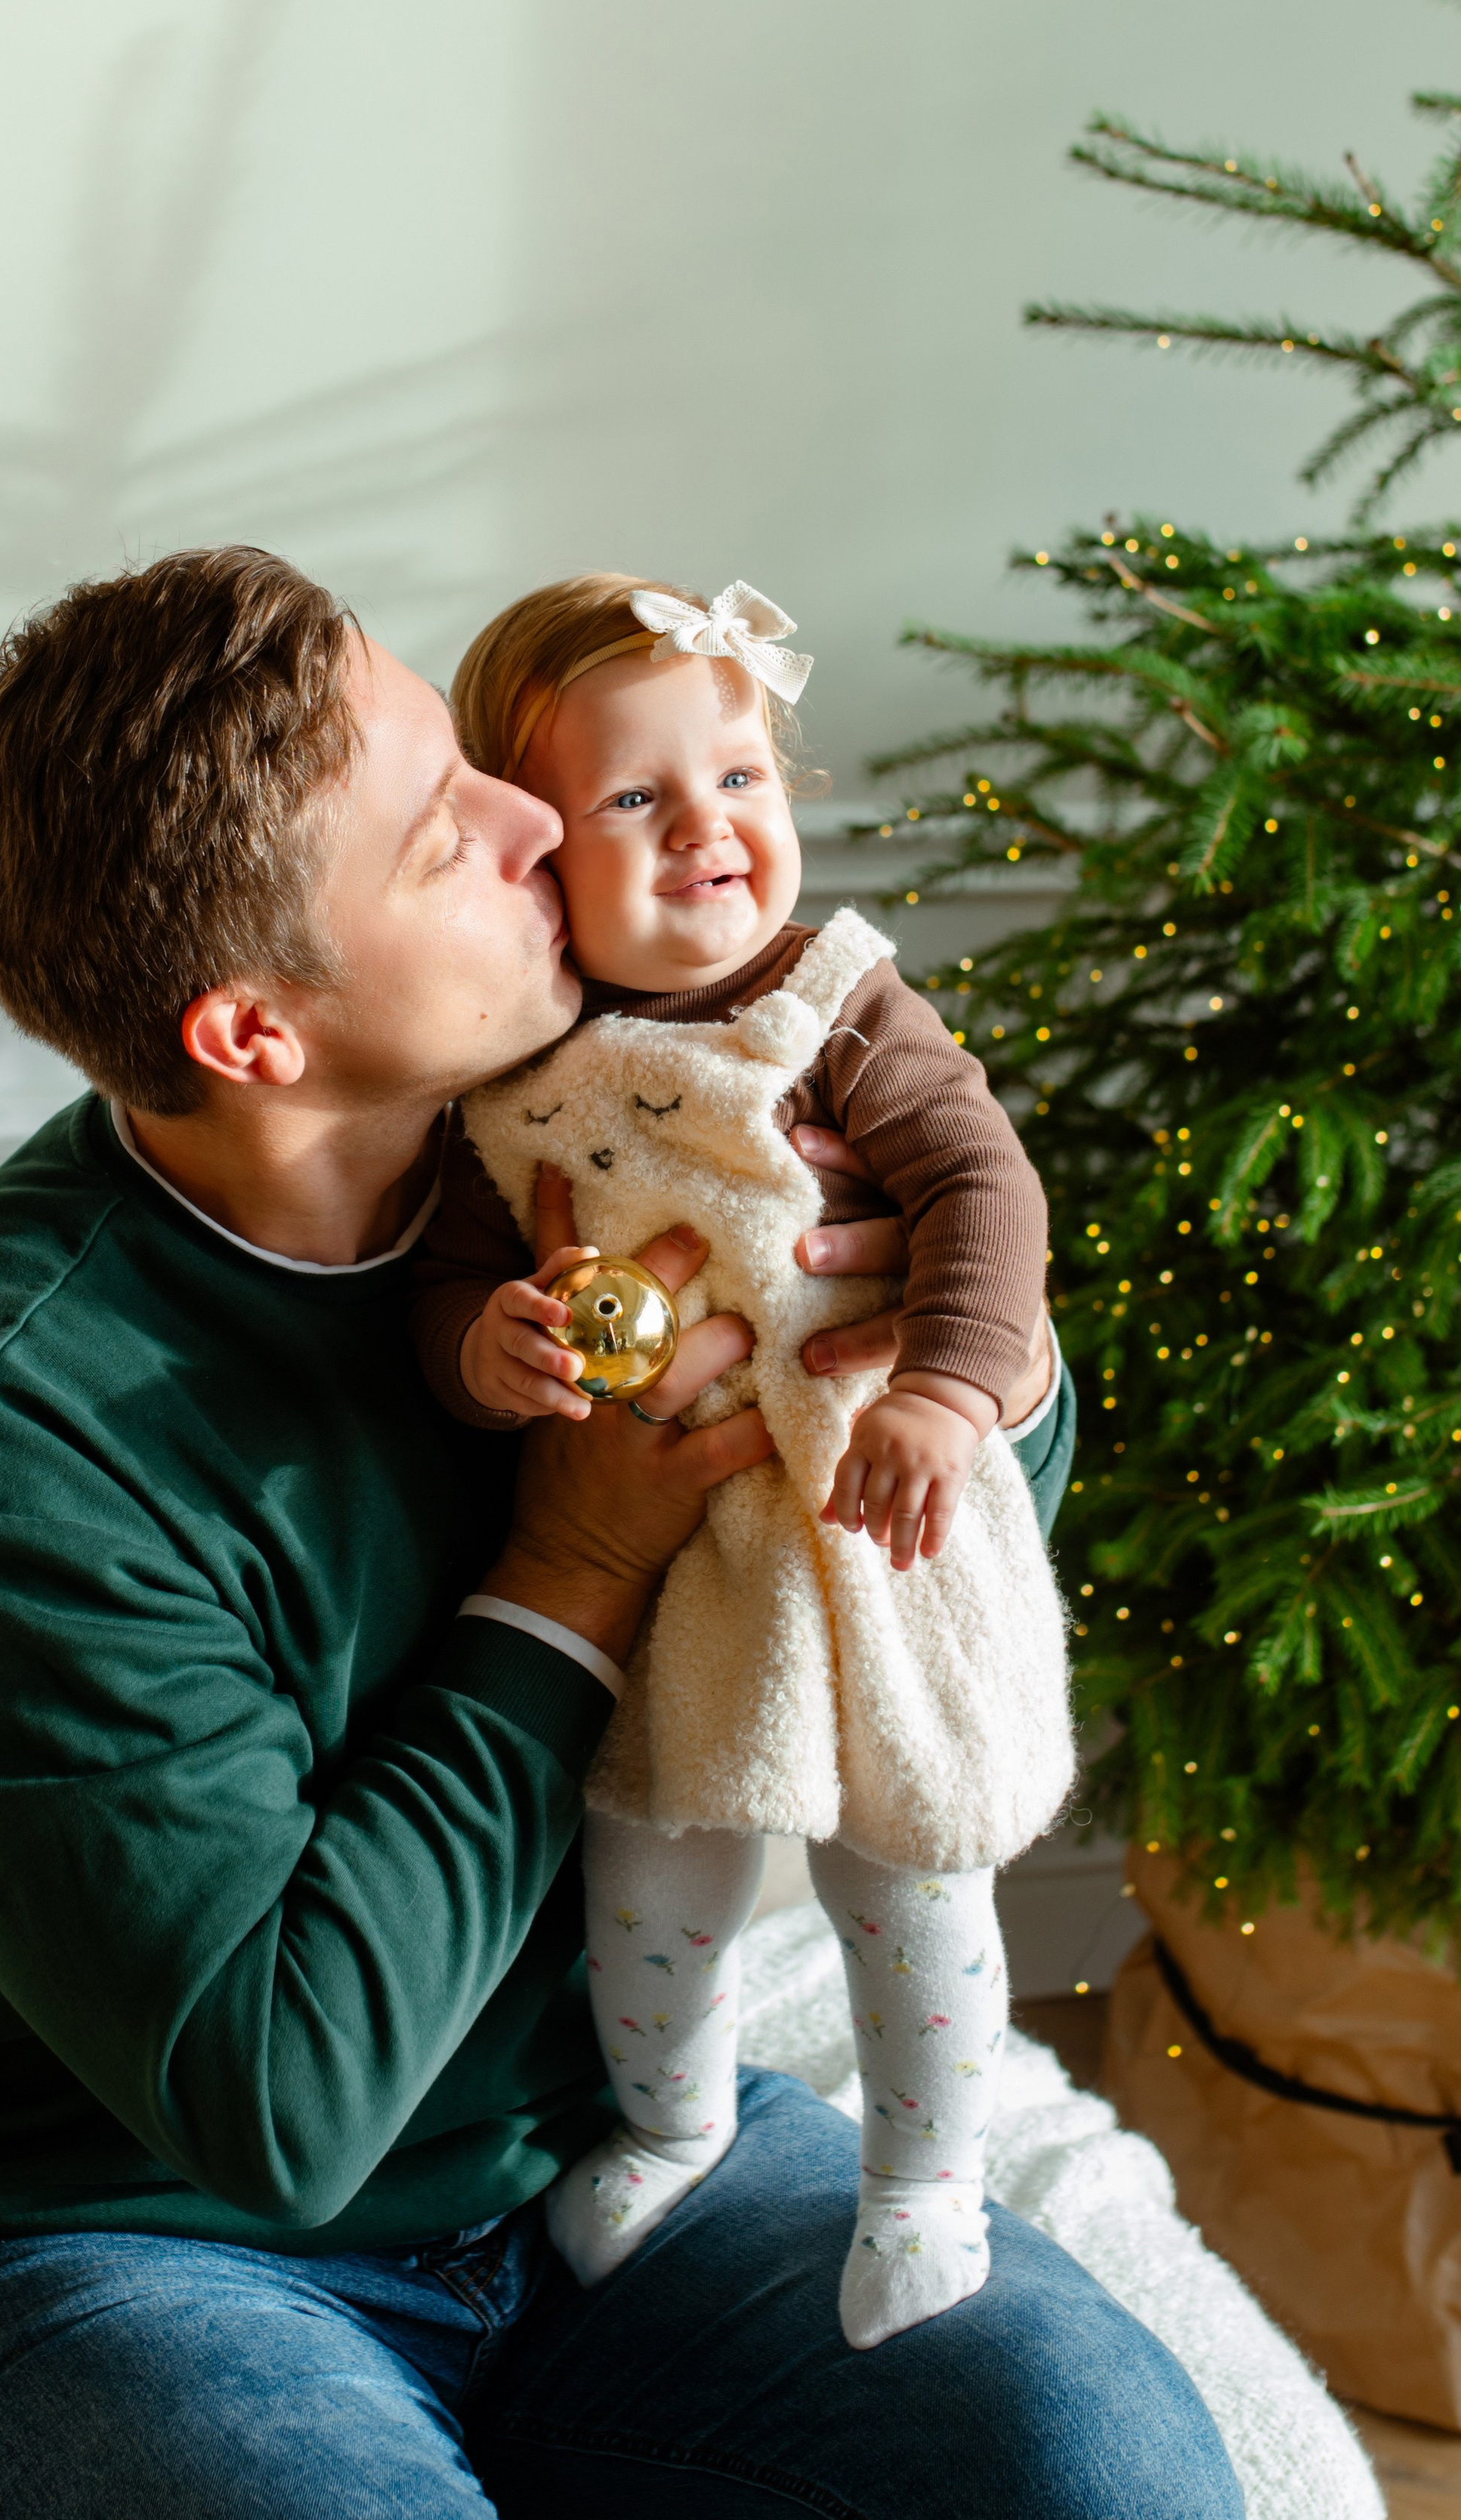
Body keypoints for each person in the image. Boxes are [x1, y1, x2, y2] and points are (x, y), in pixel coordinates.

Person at [0, 544, 1242, 2518]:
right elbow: (277, 2099)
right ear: (251, 1033)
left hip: (592, 2152)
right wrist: (568, 1572)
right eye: (436, 833)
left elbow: (879, 1587)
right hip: (127, 2235)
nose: (530, 815)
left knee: (1114, 2471)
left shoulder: (622, 1135)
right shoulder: (5, 1424)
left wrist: (935, 1363)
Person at [412, 572, 1070, 2348]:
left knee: (908, 1858)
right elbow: (459, 1280)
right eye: (636, 799)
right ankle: (670, 2122)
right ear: (533, 850)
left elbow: (978, 1190)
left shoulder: (839, 1002)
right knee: (651, 1853)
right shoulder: (511, 1073)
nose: (710, 827)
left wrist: (949, 1386)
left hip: (874, 1511)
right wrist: (491, 1351)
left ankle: (927, 2179)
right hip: (677, 1555)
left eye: (741, 778)